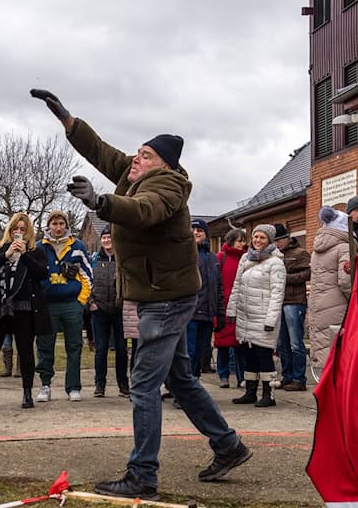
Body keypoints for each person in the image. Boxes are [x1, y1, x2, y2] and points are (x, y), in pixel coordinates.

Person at [32, 88, 251, 500]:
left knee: (143, 384)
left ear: (163, 164)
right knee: (181, 379)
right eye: (137, 153)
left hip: (167, 300)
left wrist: (101, 203)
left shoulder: (168, 186)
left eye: (145, 155)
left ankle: (142, 475)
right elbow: (101, 151)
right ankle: (228, 445)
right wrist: (68, 121)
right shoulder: (133, 174)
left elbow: (143, 210)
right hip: (159, 296)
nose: (136, 158)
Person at [0, 212, 50, 409]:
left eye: (22, 229)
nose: (19, 233)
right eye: (15, 229)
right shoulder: (0, 248)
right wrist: (6, 255)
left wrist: (25, 254)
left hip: (25, 308)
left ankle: (27, 393)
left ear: (28, 232)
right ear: (9, 231)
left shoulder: (36, 251)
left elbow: (42, 274)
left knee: (26, 351)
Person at [226, 224, 286, 408]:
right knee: (248, 354)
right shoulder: (246, 258)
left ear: (269, 240)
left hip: (263, 317)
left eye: (262, 238)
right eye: (256, 237)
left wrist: (271, 320)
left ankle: (269, 394)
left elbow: (277, 293)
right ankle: (250, 392)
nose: (258, 241)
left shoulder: (276, 262)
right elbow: (237, 286)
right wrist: (232, 310)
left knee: (264, 355)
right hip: (245, 316)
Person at [35, 210, 92, 402]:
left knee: (74, 346)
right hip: (47, 305)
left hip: (71, 304)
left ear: (66, 226)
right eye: (54, 224)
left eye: (61, 224)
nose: (58, 228)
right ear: (48, 225)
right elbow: (33, 277)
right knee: (44, 346)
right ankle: (45, 385)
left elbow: (87, 276)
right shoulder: (39, 247)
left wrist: (80, 302)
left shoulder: (77, 246)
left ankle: (73, 387)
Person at [308, 206, 352, 380]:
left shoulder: (318, 248)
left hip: (319, 303)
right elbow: (345, 281)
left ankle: (325, 386)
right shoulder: (343, 248)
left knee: (324, 343)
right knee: (338, 348)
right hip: (338, 303)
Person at [90, 224, 129, 398]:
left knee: (121, 349)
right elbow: (85, 281)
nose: (107, 240)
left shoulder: (124, 259)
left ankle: (123, 384)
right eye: (104, 238)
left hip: (120, 310)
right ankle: (100, 385)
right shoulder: (94, 259)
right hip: (99, 310)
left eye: (109, 237)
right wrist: (91, 302)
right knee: (101, 349)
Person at [271, 223, 311, 392]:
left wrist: (285, 278)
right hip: (279, 302)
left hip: (295, 302)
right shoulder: (273, 255)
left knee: (296, 343)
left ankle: (299, 378)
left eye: (280, 240)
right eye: (275, 241)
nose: (277, 244)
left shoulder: (300, 253)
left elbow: (308, 273)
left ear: (287, 238)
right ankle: (286, 377)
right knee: (281, 343)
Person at [187, 220, 223, 380]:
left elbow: (219, 288)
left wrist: (220, 313)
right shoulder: (185, 255)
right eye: (193, 229)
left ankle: (193, 385)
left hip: (207, 316)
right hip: (190, 315)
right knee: (188, 353)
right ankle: (181, 389)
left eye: (200, 230)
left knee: (200, 356)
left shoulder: (213, 258)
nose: (196, 232)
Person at [215, 229, 248, 388]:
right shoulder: (222, 257)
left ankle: (242, 377)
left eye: (243, 240)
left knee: (240, 344)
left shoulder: (247, 258)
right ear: (231, 241)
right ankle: (223, 375)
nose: (242, 244)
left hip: (241, 306)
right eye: (239, 240)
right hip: (224, 306)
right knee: (223, 343)